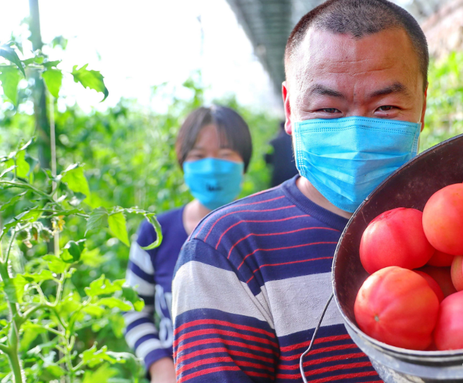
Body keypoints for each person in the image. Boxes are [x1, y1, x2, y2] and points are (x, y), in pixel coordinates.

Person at [172, 0, 428, 381]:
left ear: (422, 104)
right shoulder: (229, 251)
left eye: (385, 107)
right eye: (328, 109)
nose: (356, 134)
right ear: (290, 110)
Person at [123, 105, 253, 383]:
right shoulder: (155, 234)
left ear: (244, 164)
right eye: (198, 155)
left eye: (225, 154)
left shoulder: (263, 230)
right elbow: (133, 310)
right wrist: (159, 365)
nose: (212, 165)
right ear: (183, 163)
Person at [264, 121, 298, 186]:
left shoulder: (274, 142)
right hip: (294, 178)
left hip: (278, 178)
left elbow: (266, 160)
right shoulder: (296, 142)